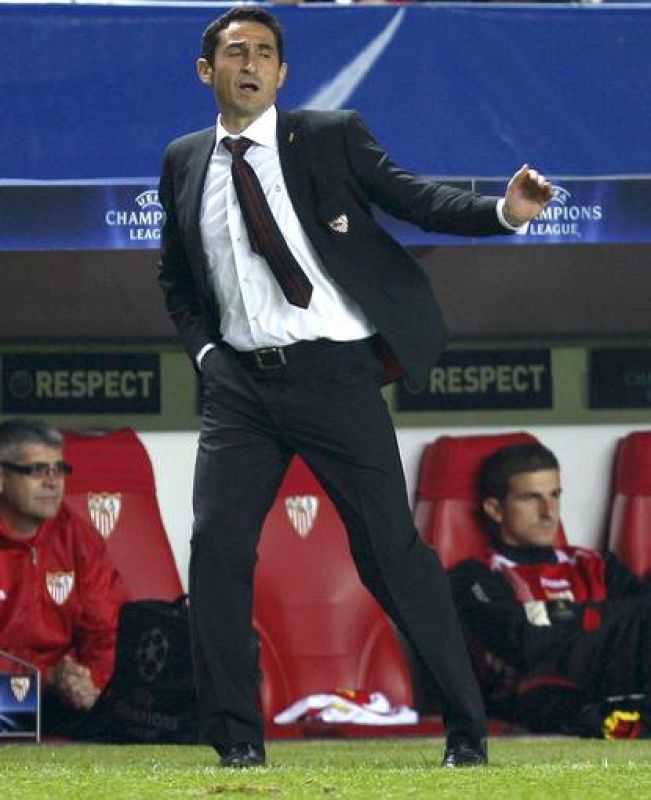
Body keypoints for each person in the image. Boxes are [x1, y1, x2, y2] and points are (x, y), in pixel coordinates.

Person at [157, 6, 552, 769]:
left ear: (281, 74)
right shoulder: (182, 159)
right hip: (239, 386)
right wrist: (206, 353)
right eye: (235, 52)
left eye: (266, 53)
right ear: (207, 72)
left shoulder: (329, 136)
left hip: (334, 375)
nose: (251, 64)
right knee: (217, 550)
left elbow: (414, 199)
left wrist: (503, 211)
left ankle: (466, 732)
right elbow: (175, 275)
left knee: (390, 556)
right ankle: (238, 742)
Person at [448, 442, 651, 737]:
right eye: (531, 498)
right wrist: (608, 624)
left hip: (615, 683)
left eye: (555, 495)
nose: (548, 512)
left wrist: (560, 620)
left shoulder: (596, 564)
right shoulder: (474, 576)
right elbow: (519, 639)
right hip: (537, 697)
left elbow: (643, 618)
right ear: (495, 509)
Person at [0, 419, 129, 736]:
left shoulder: (75, 535)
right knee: (16, 714)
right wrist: (44, 677)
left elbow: (108, 630)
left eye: (59, 469)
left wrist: (89, 681)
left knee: (143, 712)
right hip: (10, 692)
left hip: (61, 696)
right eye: (37, 470)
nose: (52, 481)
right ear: (2, 477)